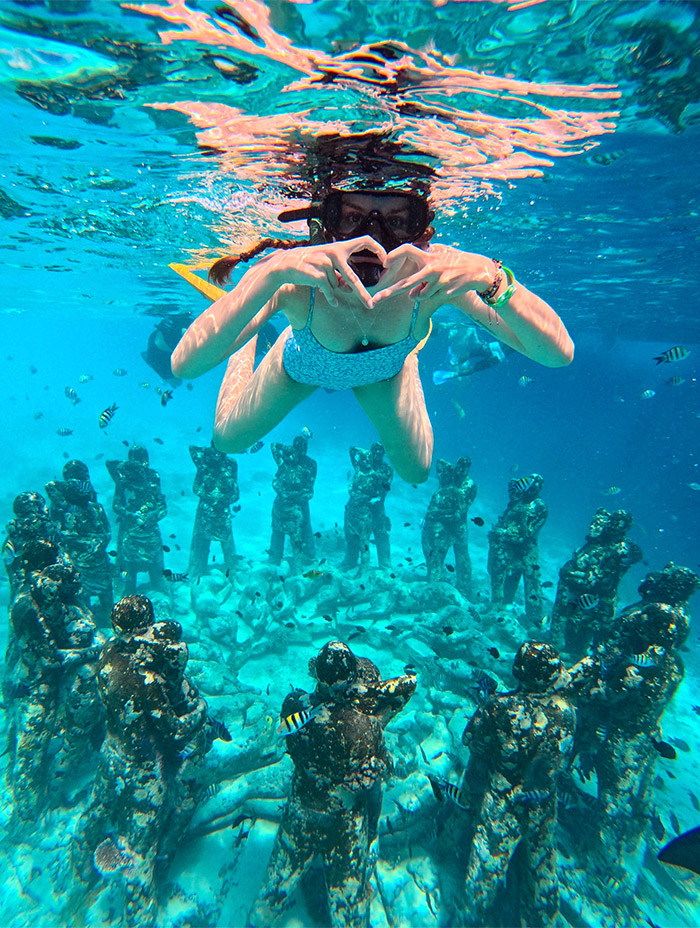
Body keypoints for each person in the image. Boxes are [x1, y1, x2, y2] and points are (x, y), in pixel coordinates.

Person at [170, 133, 573, 483]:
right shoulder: (297, 279)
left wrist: (493, 278)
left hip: (386, 372)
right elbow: (183, 366)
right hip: (301, 366)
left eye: (397, 222)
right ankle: (245, 338)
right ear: (325, 226)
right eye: (351, 219)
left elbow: (557, 354)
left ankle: (407, 354)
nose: (373, 240)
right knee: (226, 440)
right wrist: (268, 276)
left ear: (421, 230)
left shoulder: (434, 276)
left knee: (416, 472)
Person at [249, 640, 416, 928]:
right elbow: (382, 767)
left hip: (301, 812)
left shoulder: (293, 705)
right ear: (352, 681)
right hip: (345, 823)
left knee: (273, 891)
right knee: (347, 908)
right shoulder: (366, 727)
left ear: (317, 673)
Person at [341, 442, 393, 572]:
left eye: (380, 451)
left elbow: (384, 489)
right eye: (374, 451)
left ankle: (386, 566)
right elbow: (352, 450)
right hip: (359, 507)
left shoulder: (386, 470)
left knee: (381, 535)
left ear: (384, 453)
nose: (376, 454)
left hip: (377, 507)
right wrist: (363, 453)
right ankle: (350, 562)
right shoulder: (362, 466)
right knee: (353, 535)